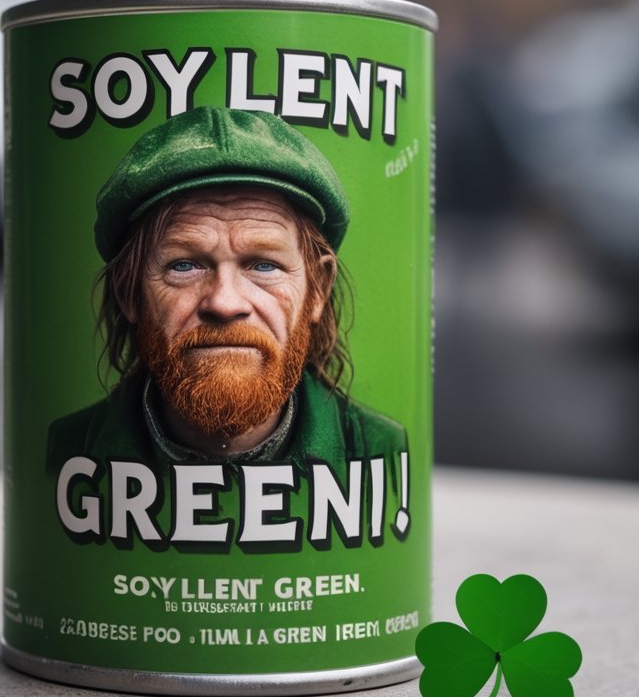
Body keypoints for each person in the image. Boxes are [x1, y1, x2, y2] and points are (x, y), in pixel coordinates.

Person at [47, 107, 407, 479]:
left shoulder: (383, 453)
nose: (224, 302)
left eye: (264, 265)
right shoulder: (64, 453)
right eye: (184, 265)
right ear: (128, 291)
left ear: (317, 289)